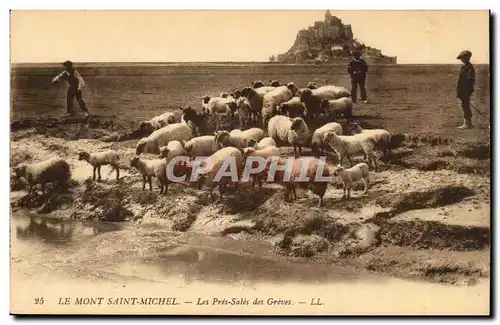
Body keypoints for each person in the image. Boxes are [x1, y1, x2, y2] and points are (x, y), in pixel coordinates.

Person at [456, 50, 475, 129]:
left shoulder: (469, 68)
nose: (461, 60)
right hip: (463, 90)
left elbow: (471, 81)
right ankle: (468, 123)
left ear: (467, 58)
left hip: (466, 91)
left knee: (465, 106)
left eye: (463, 58)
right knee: (465, 105)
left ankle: (467, 124)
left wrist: (468, 92)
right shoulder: (464, 67)